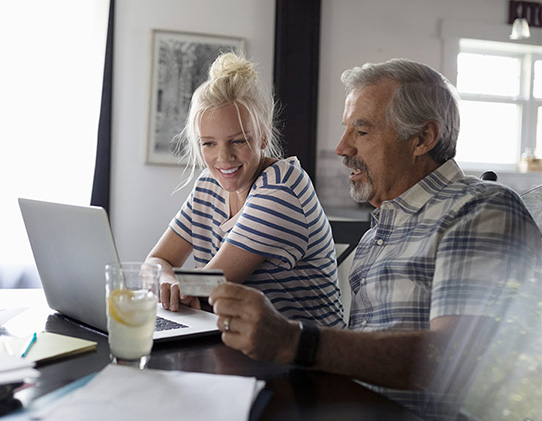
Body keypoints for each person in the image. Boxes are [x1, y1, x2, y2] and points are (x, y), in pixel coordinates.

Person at [208, 58, 542, 419]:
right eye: (346, 129)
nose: (341, 147)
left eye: (362, 132)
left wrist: (295, 340)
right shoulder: (381, 228)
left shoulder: (477, 208)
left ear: (422, 138)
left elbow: (457, 356)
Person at [145, 52, 345, 328]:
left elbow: (210, 285)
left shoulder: (281, 188)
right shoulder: (207, 185)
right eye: (208, 144)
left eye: (237, 141)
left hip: (305, 357)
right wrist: (166, 279)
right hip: (236, 342)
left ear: (263, 136)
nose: (223, 158)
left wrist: (177, 284)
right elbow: (156, 261)